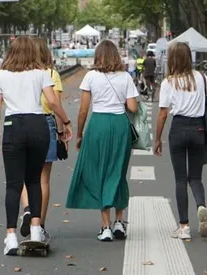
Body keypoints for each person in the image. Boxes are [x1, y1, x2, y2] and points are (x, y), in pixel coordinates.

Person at [0, 36, 72, 256]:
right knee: (34, 180)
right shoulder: (41, 74)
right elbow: (53, 102)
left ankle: (11, 238)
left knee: (13, 185)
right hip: (38, 125)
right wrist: (66, 122)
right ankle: (36, 231)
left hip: (13, 125)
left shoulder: (2, 75)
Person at [65, 40, 140, 242]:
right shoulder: (125, 77)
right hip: (119, 126)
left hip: (97, 125)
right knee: (118, 172)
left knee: (100, 173)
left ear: (98, 56)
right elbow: (133, 108)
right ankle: (119, 222)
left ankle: (105, 226)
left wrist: (80, 134)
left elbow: (82, 111)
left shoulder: (90, 76)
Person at [152, 42, 207, 240]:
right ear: (189, 58)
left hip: (178, 129)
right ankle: (201, 205)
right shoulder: (201, 77)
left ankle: (184, 226)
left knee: (180, 179)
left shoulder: (168, 82)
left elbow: (163, 114)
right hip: (198, 130)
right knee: (195, 177)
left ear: (172, 59)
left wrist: (157, 139)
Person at [15, 38, 67, 239]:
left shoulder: (18, 75)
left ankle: (28, 209)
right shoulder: (52, 74)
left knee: (25, 176)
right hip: (45, 124)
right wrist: (62, 132)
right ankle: (40, 225)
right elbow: (56, 104)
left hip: (21, 123)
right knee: (43, 179)